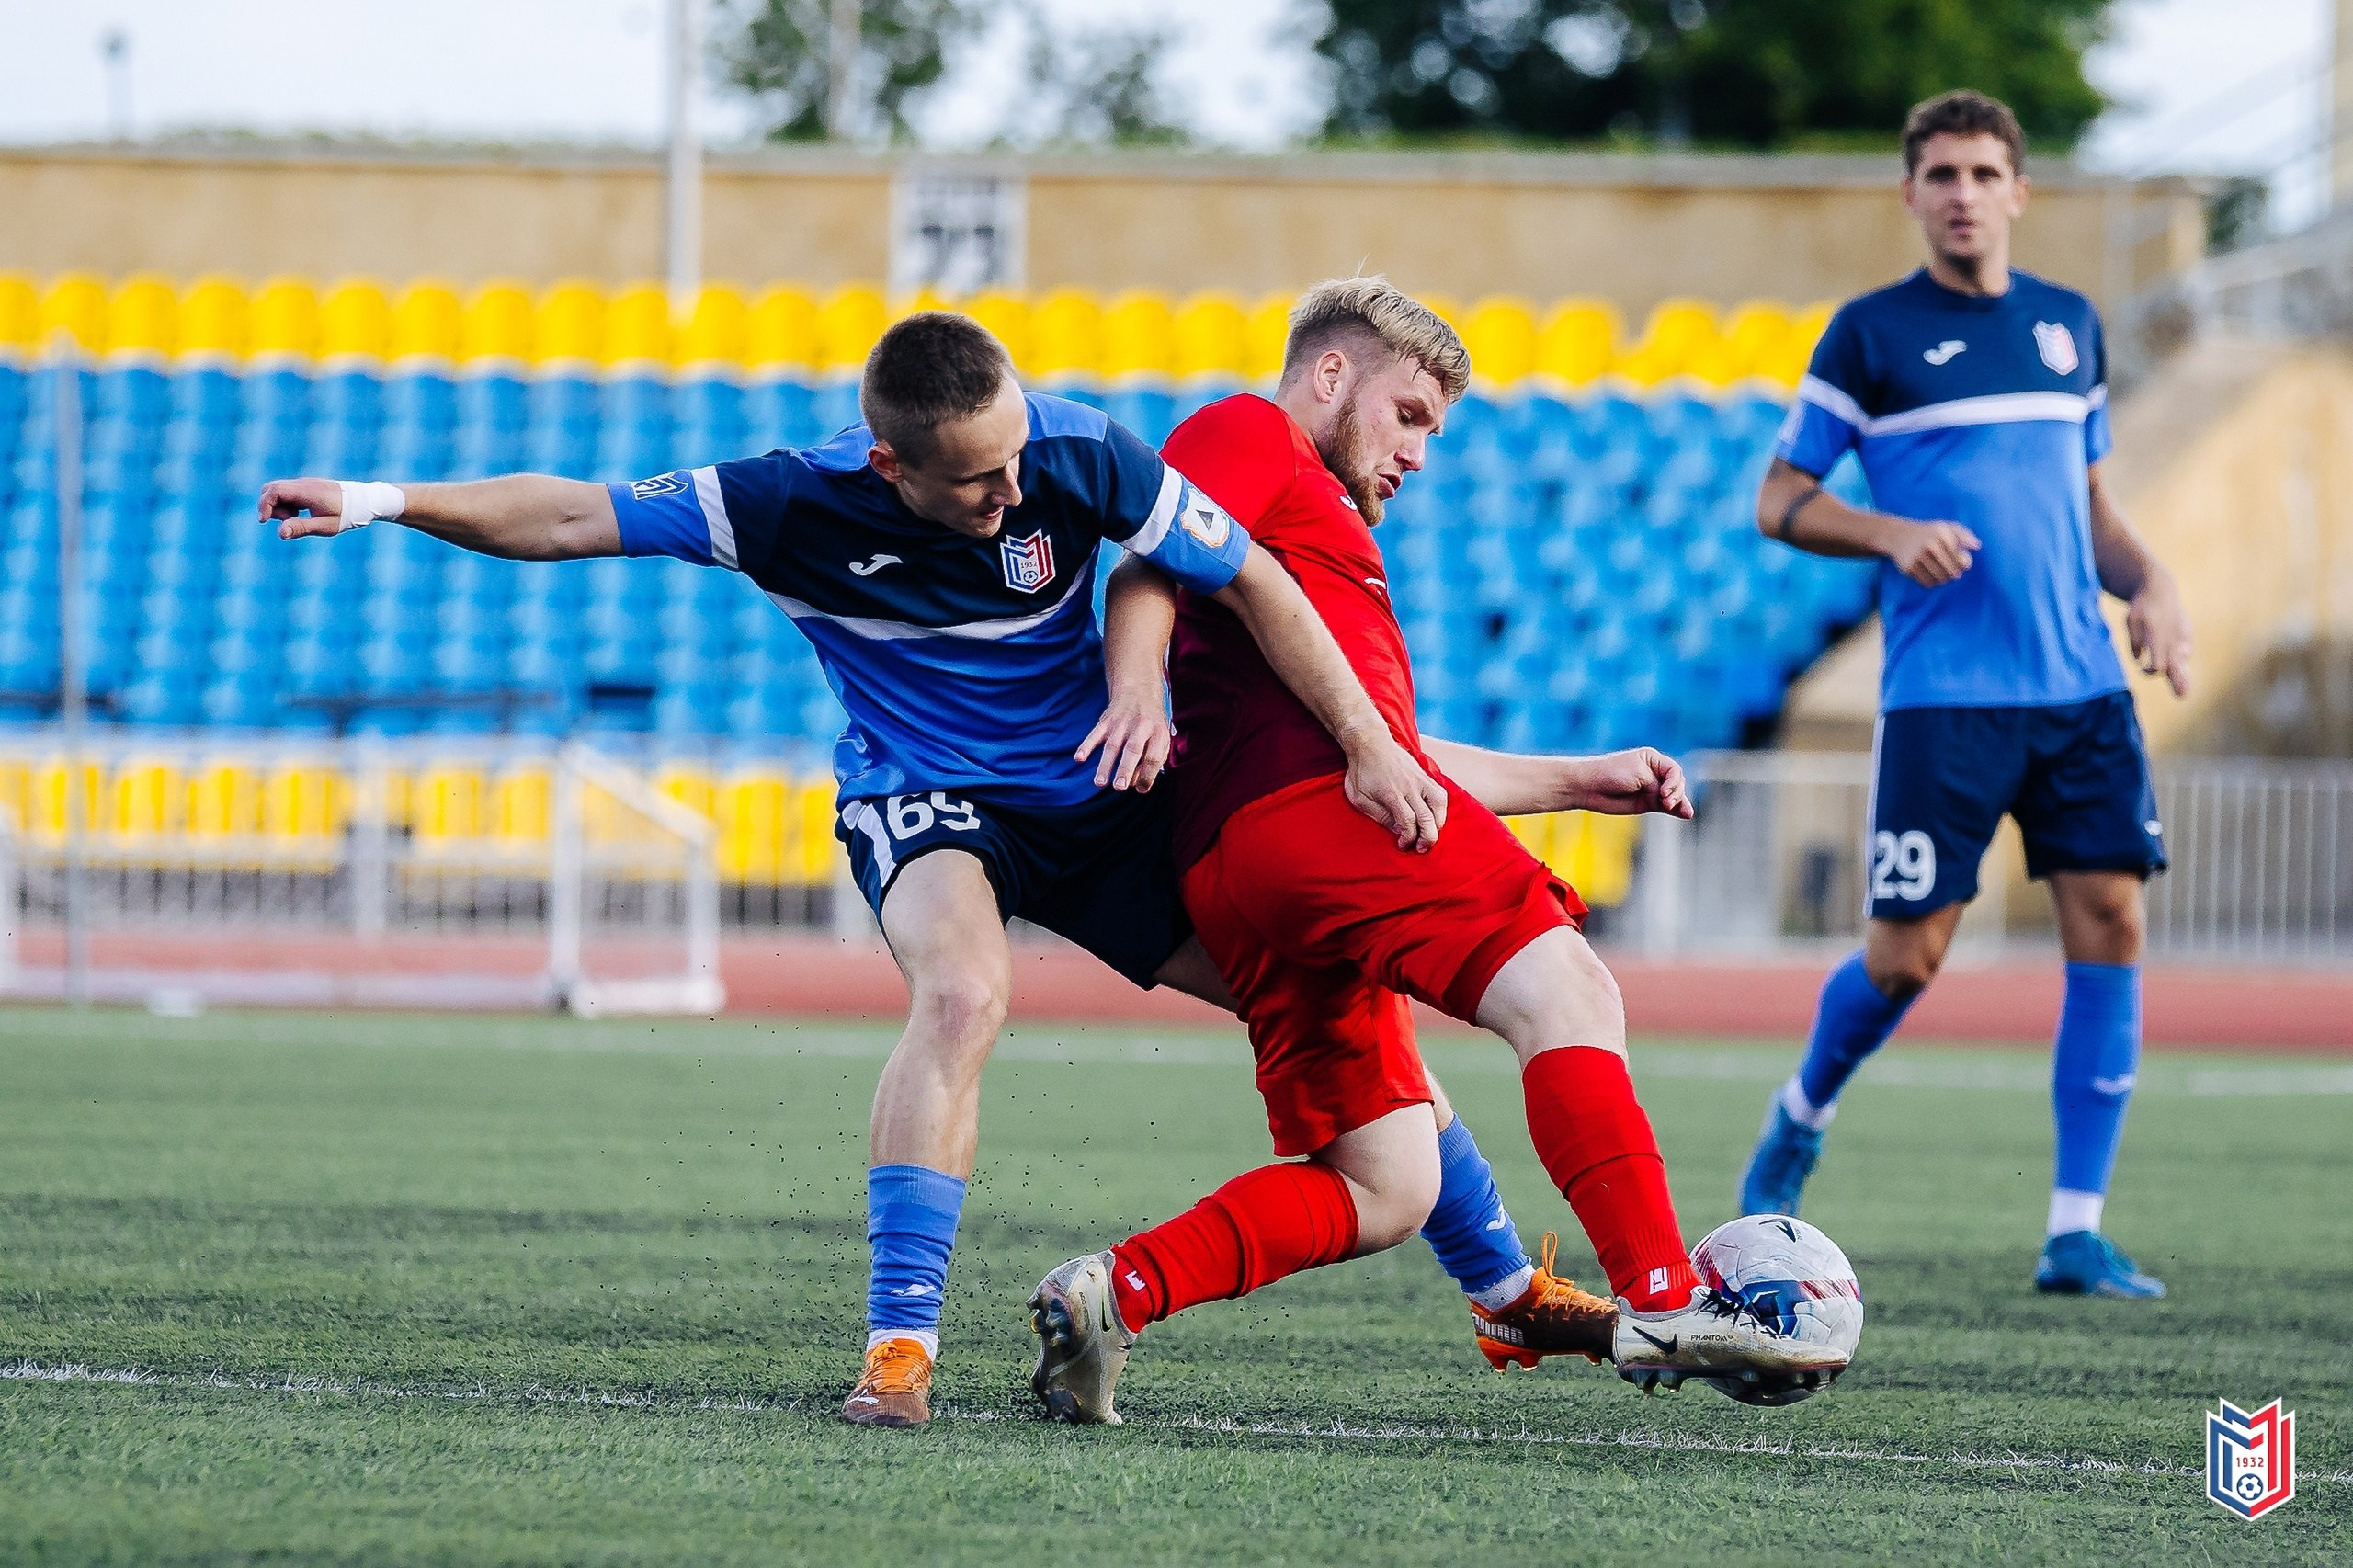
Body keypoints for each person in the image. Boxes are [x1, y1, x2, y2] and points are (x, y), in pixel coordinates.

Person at [258, 311, 1458, 1428]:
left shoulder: (1075, 448)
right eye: (978, 480)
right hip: (926, 798)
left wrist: (1363, 742)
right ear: (891, 468)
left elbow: (1247, 572)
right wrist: (381, 500)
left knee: (1333, 994)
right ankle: (899, 1348)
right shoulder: (789, 502)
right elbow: (571, 515)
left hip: (1096, 807)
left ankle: (1500, 1278)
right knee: (963, 995)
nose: (1012, 491)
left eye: (1014, 458)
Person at [1026, 277, 1847, 1424]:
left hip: (1250, 868)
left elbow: (1394, 755)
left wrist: (1573, 779)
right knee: (1565, 983)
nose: (1418, 451)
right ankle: (1661, 1293)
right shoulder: (1251, 430)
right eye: (1407, 413)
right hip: (1311, 819)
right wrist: (1133, 694)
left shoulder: (1317, 535)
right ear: (1329, 374)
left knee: (1389, 1180)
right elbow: (1153, 559)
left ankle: (1117, 1288)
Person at [1734, 90, 2193, 1301]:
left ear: (2018, 191)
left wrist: (2150, 583)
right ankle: (1800, 1112)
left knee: (2112, 921)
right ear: (1911, 193)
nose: (1963, 192)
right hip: (1946, 700)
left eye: (1985, 171)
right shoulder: (1869, 335)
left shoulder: (2068, 327)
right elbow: (1778, 499)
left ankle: (2075, 1233)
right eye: (1940, 172)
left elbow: (2087, 508)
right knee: (1904, 958)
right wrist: (1889, 532)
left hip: (2084, 691)